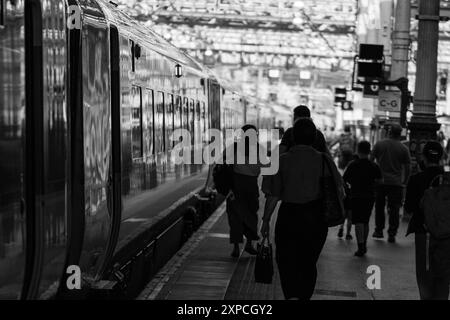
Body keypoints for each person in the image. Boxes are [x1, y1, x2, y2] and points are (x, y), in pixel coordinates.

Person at [260, 118, 341, 300]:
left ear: (294, 137)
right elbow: (339, 189)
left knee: (286, 260)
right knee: (308, 262)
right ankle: (304, 297)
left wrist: (265, 221)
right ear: (314, 138)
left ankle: (291, 296)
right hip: (316, 219)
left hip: (289, 217)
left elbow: (272, 194)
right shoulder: (324, 160)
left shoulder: (282, 160)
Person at [405, 141, 450, 300]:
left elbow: (409, 208)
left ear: (423, 157)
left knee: (424, 276)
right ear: (441, 157)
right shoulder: (447, 178)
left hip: (423, 232)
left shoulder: (416, 179)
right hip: (446, 234)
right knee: (444, 276)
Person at [225, 124, 263, 258]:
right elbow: (265, 166)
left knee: (234, 216)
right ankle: (249, 244)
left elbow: (223, 162)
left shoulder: (234, 147)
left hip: (235, 186)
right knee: (251, 214)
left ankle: (236, 247)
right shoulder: (259, 149)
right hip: (251, 186)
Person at [371, 124, 411, 243]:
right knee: (394, 209)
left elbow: (371, 160)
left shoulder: (379, 144)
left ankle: (379, 230)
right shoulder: (403, 148)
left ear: (389, 132)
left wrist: (374, 176)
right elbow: (408, 167)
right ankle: (392, 233)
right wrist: (405, 181)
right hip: (396, 183)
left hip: (380, 182)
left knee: (379, 207)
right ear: (400, 134)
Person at [343, 141, 382, 256]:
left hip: (356, 196)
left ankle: (361, 247)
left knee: (358, 221)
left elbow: (343, 180)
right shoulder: (374, 165)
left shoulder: (352, 165)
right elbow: (380, 181)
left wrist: (348, 189)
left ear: (358, 151)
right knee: (365, 221)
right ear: (369, 151)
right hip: (370, 197)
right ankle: (364, 244)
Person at [337, 150, 358, 240]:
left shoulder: (349, 166)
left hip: (347, 194)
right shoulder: (359, 167)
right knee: (350, 216)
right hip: (354, 195)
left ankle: (341, 228)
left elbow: (343, 180)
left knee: (345, 214)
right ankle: (348, 234)